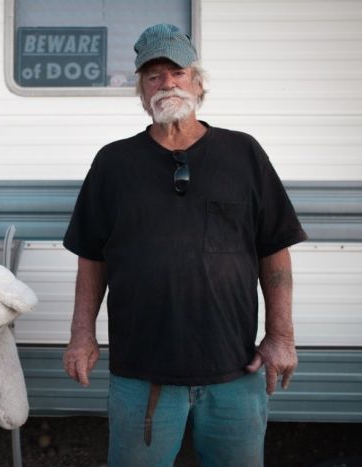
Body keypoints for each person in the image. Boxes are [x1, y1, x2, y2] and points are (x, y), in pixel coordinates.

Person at [62, 23, 307, 467]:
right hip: (141, 376)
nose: (166, 83)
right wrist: (82, 335)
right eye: (153, 75)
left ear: (197, 82)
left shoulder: (244, 153)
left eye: (176, 71)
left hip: (235, 371)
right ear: (141, 91)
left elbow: (275, 248)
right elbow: (91, 256)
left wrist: (281, 336)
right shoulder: (113, 163)